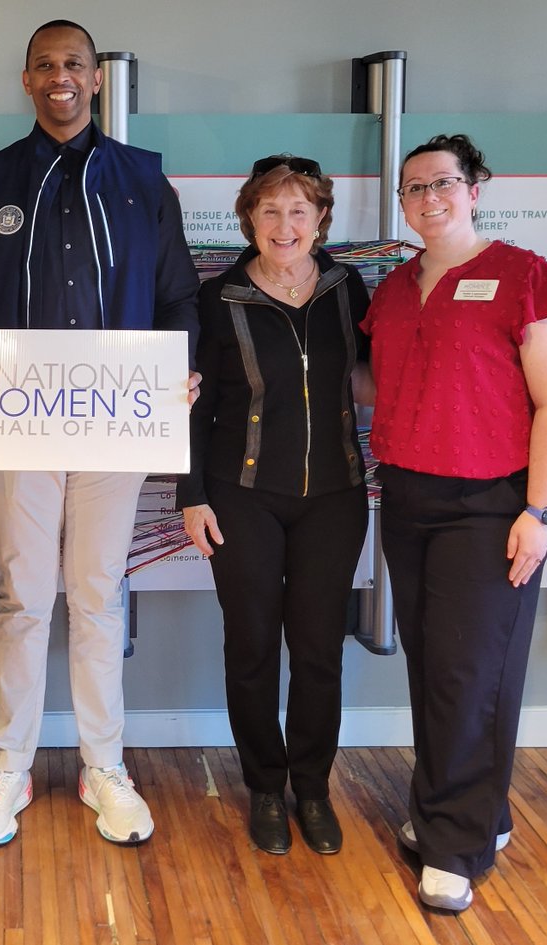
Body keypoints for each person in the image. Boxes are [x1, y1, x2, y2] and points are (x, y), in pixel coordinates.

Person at [0, 19, 200, 847]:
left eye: (74, 64)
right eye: (44, 65)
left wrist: (181, 372)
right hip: (19, 428)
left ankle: (102, 767)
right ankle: (7, 767)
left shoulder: (144, 180)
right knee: (21, 595)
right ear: (25, 80)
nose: (60, 78)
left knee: (95, 594)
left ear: (96, 79)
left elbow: (180, 295)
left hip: (116, 424)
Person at [361, 134, 547, 911]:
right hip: (409, 497)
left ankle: (455, 844)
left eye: (443, 183)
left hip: (491, 503)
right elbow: (370, 380)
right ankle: (475, 812)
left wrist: (540, 509)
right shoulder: (392, 290)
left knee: (469, 671)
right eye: (414, 188)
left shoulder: (525, 277)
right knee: (438, 667)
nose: (429, 198)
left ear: (475, 188)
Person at [179, 155, 369, 857]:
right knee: (252, 645)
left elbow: (385, 374)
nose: (284, 225)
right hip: (241, 497)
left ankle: (312, 788)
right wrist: (191, 493)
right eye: (269, 211)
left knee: (319, 650)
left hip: (337, 497)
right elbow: (194, 405)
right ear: (248, 219)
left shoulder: (351, 288)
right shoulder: (219, 297)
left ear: (320, 218)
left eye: (298, 210)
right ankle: (264, 784)